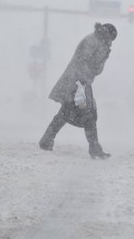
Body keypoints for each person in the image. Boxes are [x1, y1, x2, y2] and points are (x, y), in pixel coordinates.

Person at [39, 22, 117, 159]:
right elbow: (85, 62)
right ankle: (94, 147)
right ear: (107, 35)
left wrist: (104, 54)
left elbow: (97, 70)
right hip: (78, 84)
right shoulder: (91, 41)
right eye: (110, 39)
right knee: (86, 114)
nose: (110, 43)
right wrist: (102, 55)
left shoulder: (98, 43)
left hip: (80, 83)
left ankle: (47, 140)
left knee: (68, 113)